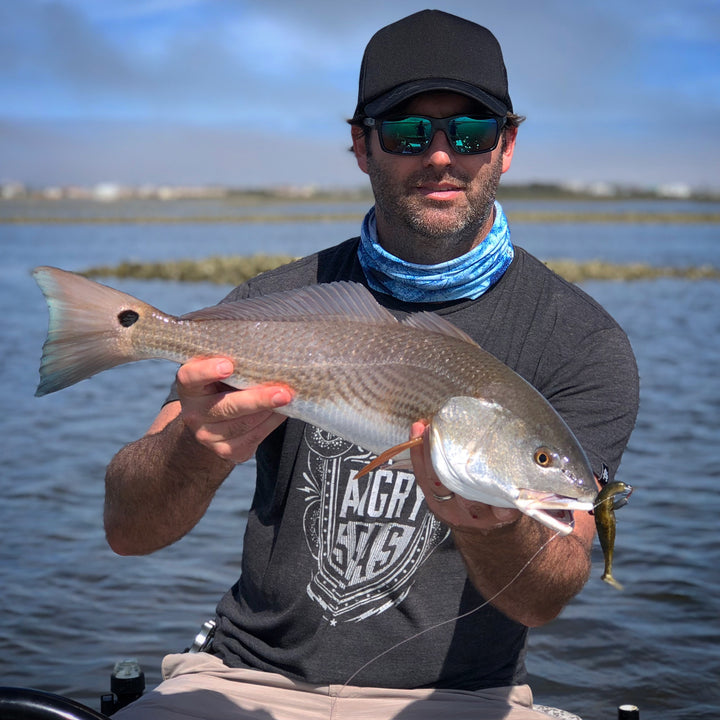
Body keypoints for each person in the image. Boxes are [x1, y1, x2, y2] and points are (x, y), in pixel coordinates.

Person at [106, 10, 638, 720]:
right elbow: (128, 531)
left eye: (472, 132)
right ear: (361, 146)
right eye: (408, 131)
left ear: (507, 146)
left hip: (461, 700)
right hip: (245, 680)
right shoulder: (269, 305)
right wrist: (192, 454)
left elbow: (547, 596)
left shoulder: (581, 340)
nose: (442, 155)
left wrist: (496, 523)